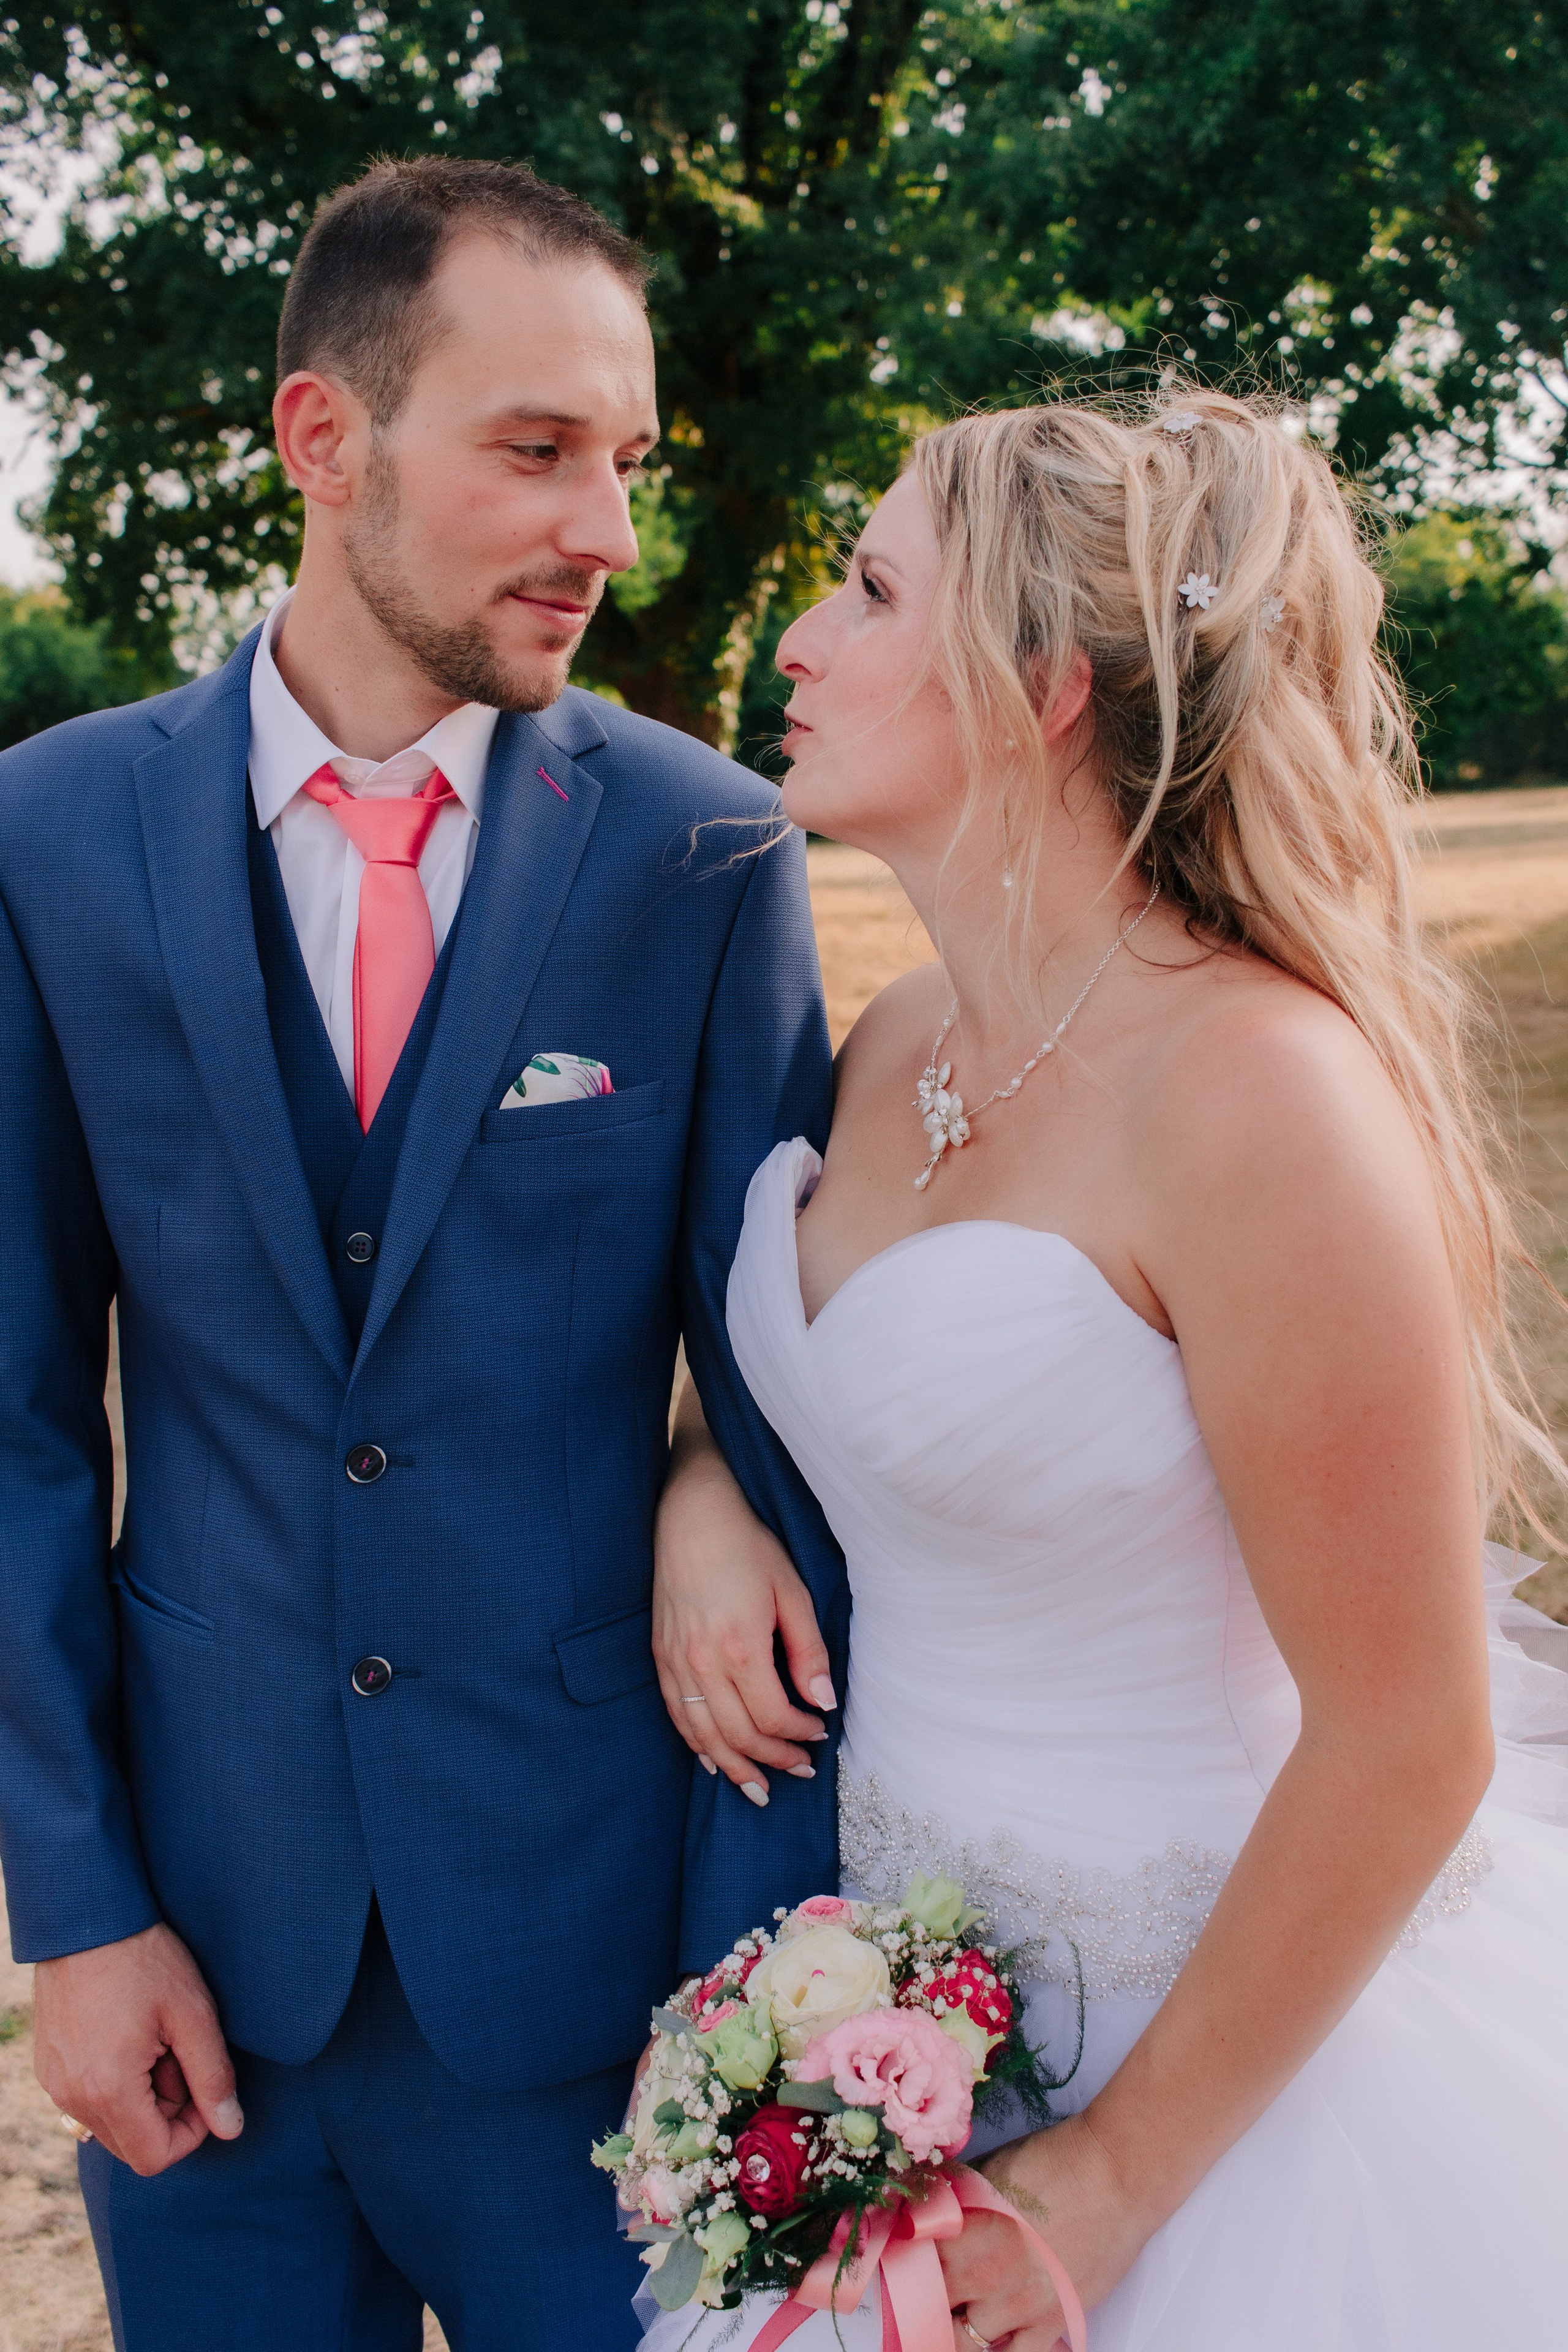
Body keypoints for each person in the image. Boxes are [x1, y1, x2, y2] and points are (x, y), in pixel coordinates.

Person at [0, 156, 846, 2350]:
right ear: (325, 438)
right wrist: (74, 1913)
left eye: (627, 459)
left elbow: (792, 1421)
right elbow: (13, 1423)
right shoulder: (45, 836)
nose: (609, 529)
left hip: (603, 1991)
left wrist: (759, 2004)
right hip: (201, 1981)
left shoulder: (704, 855)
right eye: (537, 448)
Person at [647, 390, 1568, 2348]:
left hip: (1231, 2076)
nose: (797, 640)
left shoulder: (1258, 1097)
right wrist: (706, 1488)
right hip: (917, 2018)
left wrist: (1114, 2176)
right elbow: (839, 1393)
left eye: (869, 589)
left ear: (1043, 690)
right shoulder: (900, 1037)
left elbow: (1412, 1733)